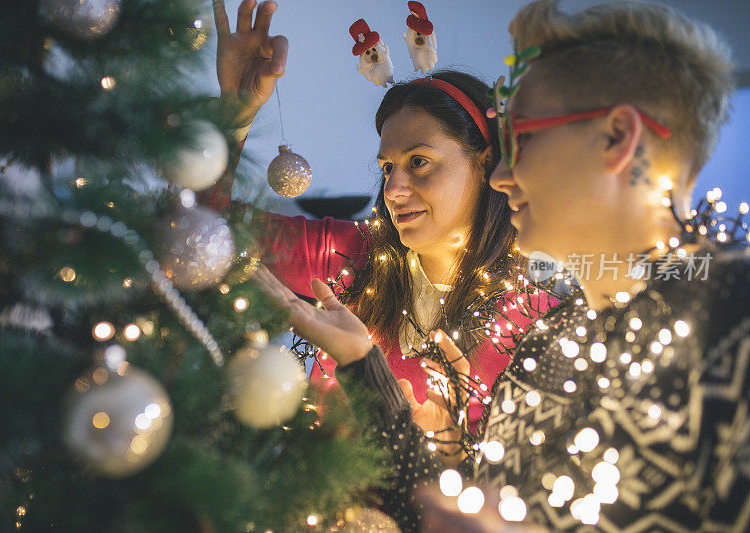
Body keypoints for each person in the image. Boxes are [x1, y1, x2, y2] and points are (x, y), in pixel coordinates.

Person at [256, 0, 750, 531]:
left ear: (616, 139)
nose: (500, 175)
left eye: (521, 137)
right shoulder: (551, 343)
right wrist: (364, 367)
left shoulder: (732, 322)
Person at [209, 0, 555, 461]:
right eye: (387, 167)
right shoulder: (349, 258)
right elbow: (203, 234)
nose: (392, 187)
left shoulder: (537, 312)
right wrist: (234, 114)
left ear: (485, 161)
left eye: (418, 162)